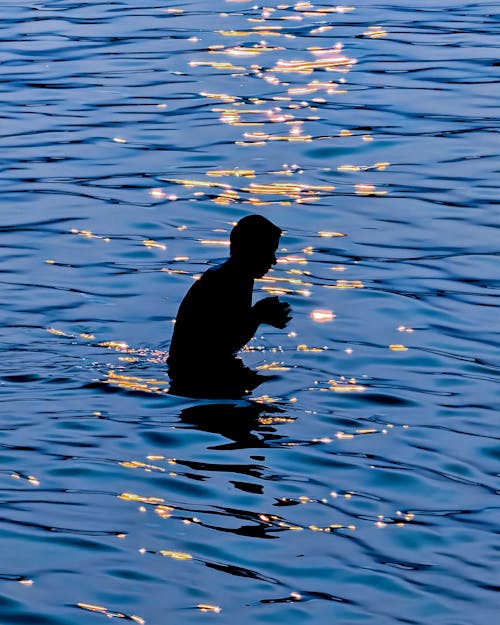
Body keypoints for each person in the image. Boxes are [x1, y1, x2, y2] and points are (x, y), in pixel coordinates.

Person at [168, 214, 291, 398]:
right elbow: (219, 344)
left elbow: (225, 336)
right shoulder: (227, 281)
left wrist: (257, 316)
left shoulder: (235, 276)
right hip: (195, 374)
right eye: (269, 252)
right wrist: (258, 316)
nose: (274, 261)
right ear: (252, 250)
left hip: (193, 371)